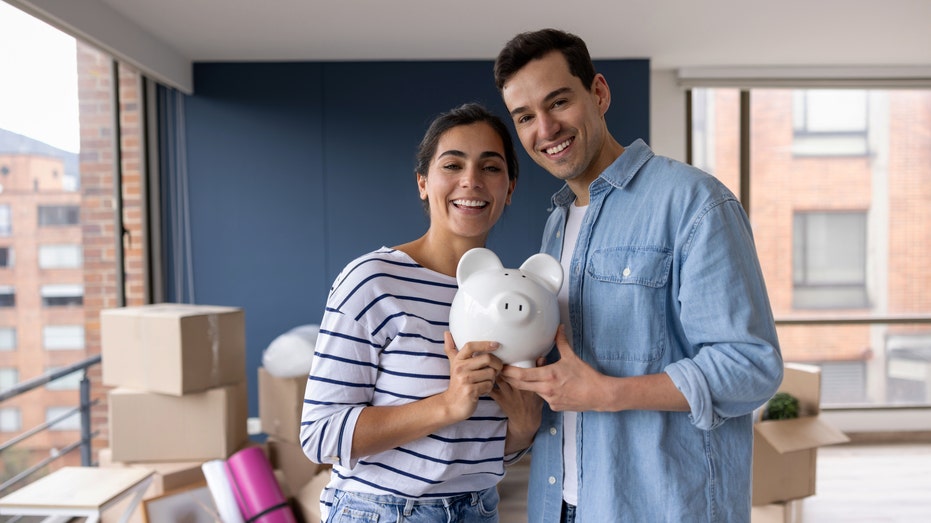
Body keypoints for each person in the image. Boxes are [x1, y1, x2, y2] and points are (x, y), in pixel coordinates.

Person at [493, 29, 784, 522]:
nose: (545, 129)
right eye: (525, 117)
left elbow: (752, 366)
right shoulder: (556, 224)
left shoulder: (695, 202)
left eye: (558, 102)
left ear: (599, 93)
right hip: (561, 506)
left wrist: (609, 393)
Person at [300, 102, 541, 522]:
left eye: (491, 167)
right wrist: (448, 403)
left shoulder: (512, 297)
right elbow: (320, 435)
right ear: (423, 184)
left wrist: (522, 429)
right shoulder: (372, 281)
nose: (471, 181)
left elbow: (477, 449)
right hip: (382, 512)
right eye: (452, 165)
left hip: (479, 509)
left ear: (510, 188)